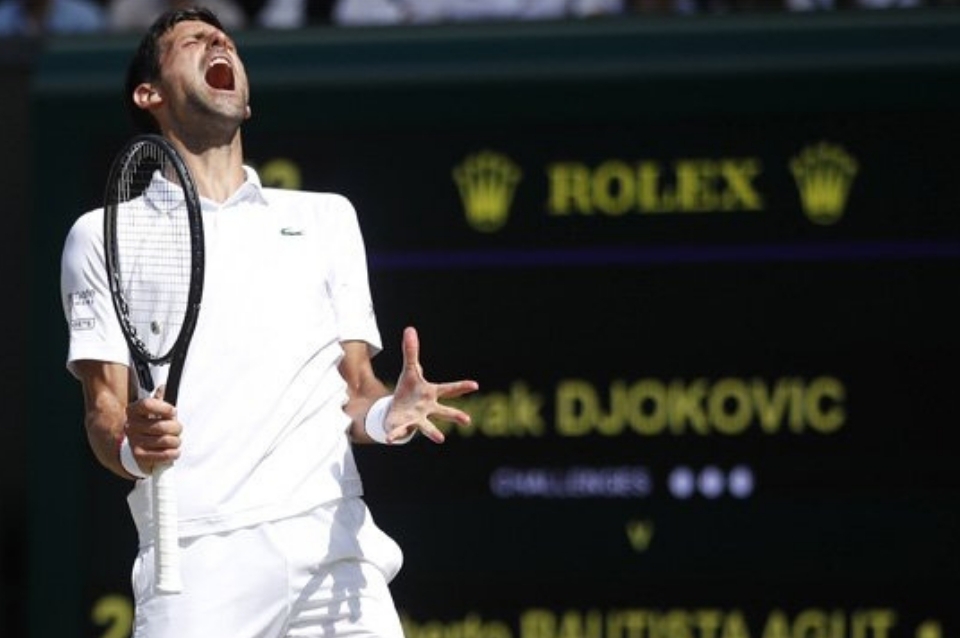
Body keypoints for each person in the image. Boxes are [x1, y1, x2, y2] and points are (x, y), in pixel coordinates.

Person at [59, 6, 479, 638]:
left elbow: (355, 390)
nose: (218, 43)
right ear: (149, 94)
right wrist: (132, 444)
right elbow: (104, 413)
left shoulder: (328, 219)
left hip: (334, 550)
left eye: (224, 40)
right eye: (193, 41)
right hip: (194, 564)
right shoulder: (101, 235)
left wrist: (387, 413)